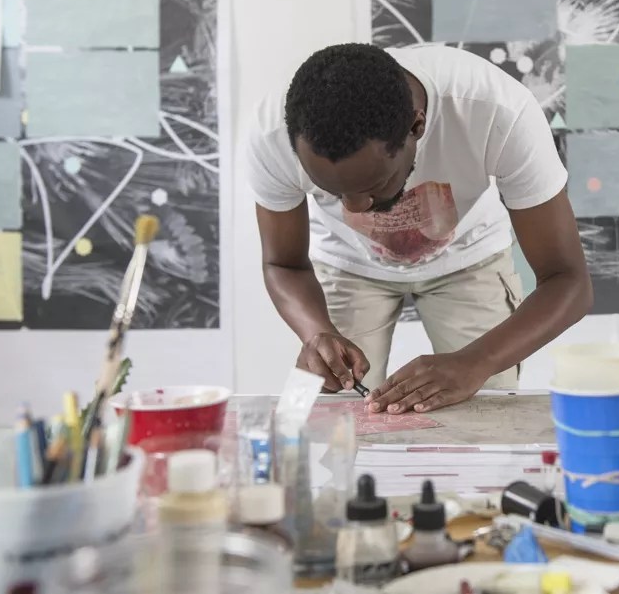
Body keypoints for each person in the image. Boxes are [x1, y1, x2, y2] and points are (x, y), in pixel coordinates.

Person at [247, 42, 592, 414]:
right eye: (332, 192)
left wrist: (477, 361)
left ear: (417, 126)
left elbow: (568, 280)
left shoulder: (498, 110)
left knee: (485, 411)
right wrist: (315, 332)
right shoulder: (273, 134)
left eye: (374, 185)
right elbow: (283, 264)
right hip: (346, 261)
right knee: (325, 418)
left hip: (469, 255)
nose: (354, 206)